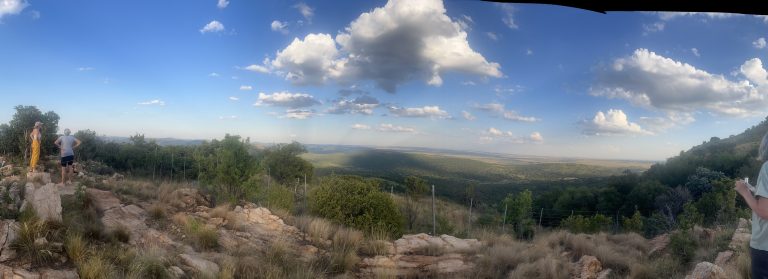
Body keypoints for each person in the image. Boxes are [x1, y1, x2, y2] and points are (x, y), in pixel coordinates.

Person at [736, 131, 768, 279]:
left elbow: (764, 211)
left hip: (764, 247)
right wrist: (756, 192)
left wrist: (745, 192)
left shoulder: (767, 168)